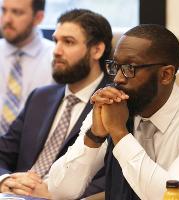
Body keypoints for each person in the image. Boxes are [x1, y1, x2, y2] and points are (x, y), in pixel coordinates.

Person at [48, 24, 179, 200]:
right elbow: (60, 191)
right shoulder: (116, 107)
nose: (118, 78)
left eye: (129, 69)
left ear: (165, 75)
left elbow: (175, 196)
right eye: (115, 66)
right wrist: (94, 136)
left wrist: (120, 133)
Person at [0, 9, 112, 199]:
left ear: (97, 50)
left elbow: (114, 175)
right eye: (56, 41)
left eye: (68, 42)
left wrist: (54, 193)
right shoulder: (40, 96)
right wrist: (5, 179)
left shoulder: (114, 103)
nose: (56, 51)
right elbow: (3, 151)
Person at [0, 0, 54, 135]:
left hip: (31, 148)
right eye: (4, 10)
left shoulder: (57, 58)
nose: (7, 19)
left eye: (17, 12)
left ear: (38, 18)